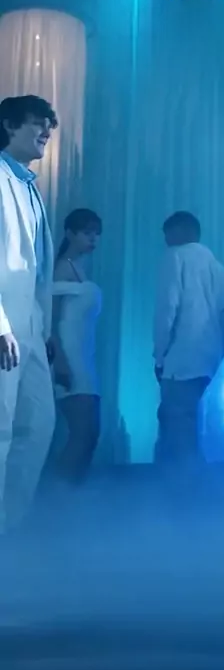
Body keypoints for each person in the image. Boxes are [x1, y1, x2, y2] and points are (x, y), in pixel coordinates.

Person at [0, 94, 58, 532]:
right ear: (9, 125)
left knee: (38, 424)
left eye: (49, 126)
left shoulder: (29, 187)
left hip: (32, 329)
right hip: (4, 325)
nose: (46, 133)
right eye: (38, 123)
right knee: (2, 427)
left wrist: (44, 328)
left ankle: (10, 524)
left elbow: (37, 270)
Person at [153, 211, 224, 476]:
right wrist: (221, 353)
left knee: (176, 426)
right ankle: (196, 486)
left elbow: (167, 310)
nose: (166, 241)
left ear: (179, 231)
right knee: (194, 424)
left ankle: (177, 487)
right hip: (209, 360)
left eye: (167, 234)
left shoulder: (175, 257)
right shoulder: (219, 269)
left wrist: (159, 355)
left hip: (180, 359)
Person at [51, 209, 102, 484]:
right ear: (70, 233)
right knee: (82, 432)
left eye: (96, 234)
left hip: (84, 354)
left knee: (90, 433)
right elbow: (51, 318)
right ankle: (58, 494)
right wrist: (59, 359)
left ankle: (72, 493)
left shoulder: (78, 267)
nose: (93, 239)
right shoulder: (62, 267)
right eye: (87, 233)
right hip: (68, 355)